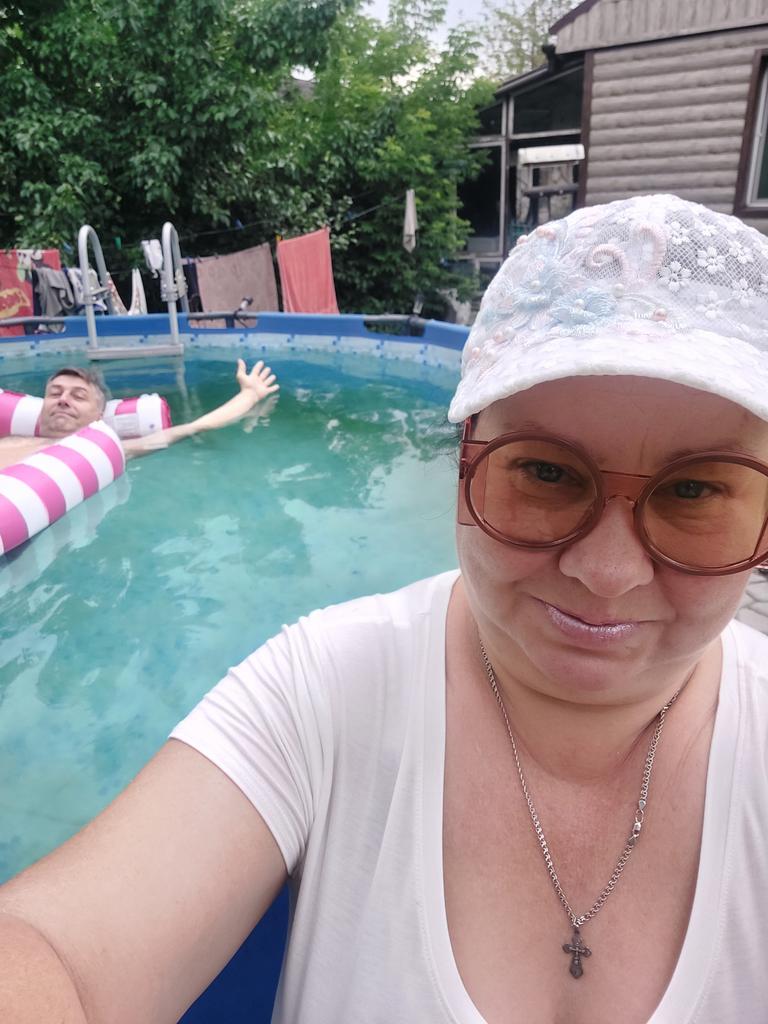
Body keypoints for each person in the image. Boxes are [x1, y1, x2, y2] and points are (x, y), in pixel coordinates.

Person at [2, 193, 768, 1023]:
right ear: (464, 461)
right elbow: (58, 949)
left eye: (695, 491)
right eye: (546, 472)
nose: (608, 572)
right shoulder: (323, 691)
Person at [0, 359, 279, 471]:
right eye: (55, 393)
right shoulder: (13, 438)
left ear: (98, 417)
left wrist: (250, 395)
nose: (63, 400)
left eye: (78, 396)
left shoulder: (102, 450)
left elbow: (193, 428)